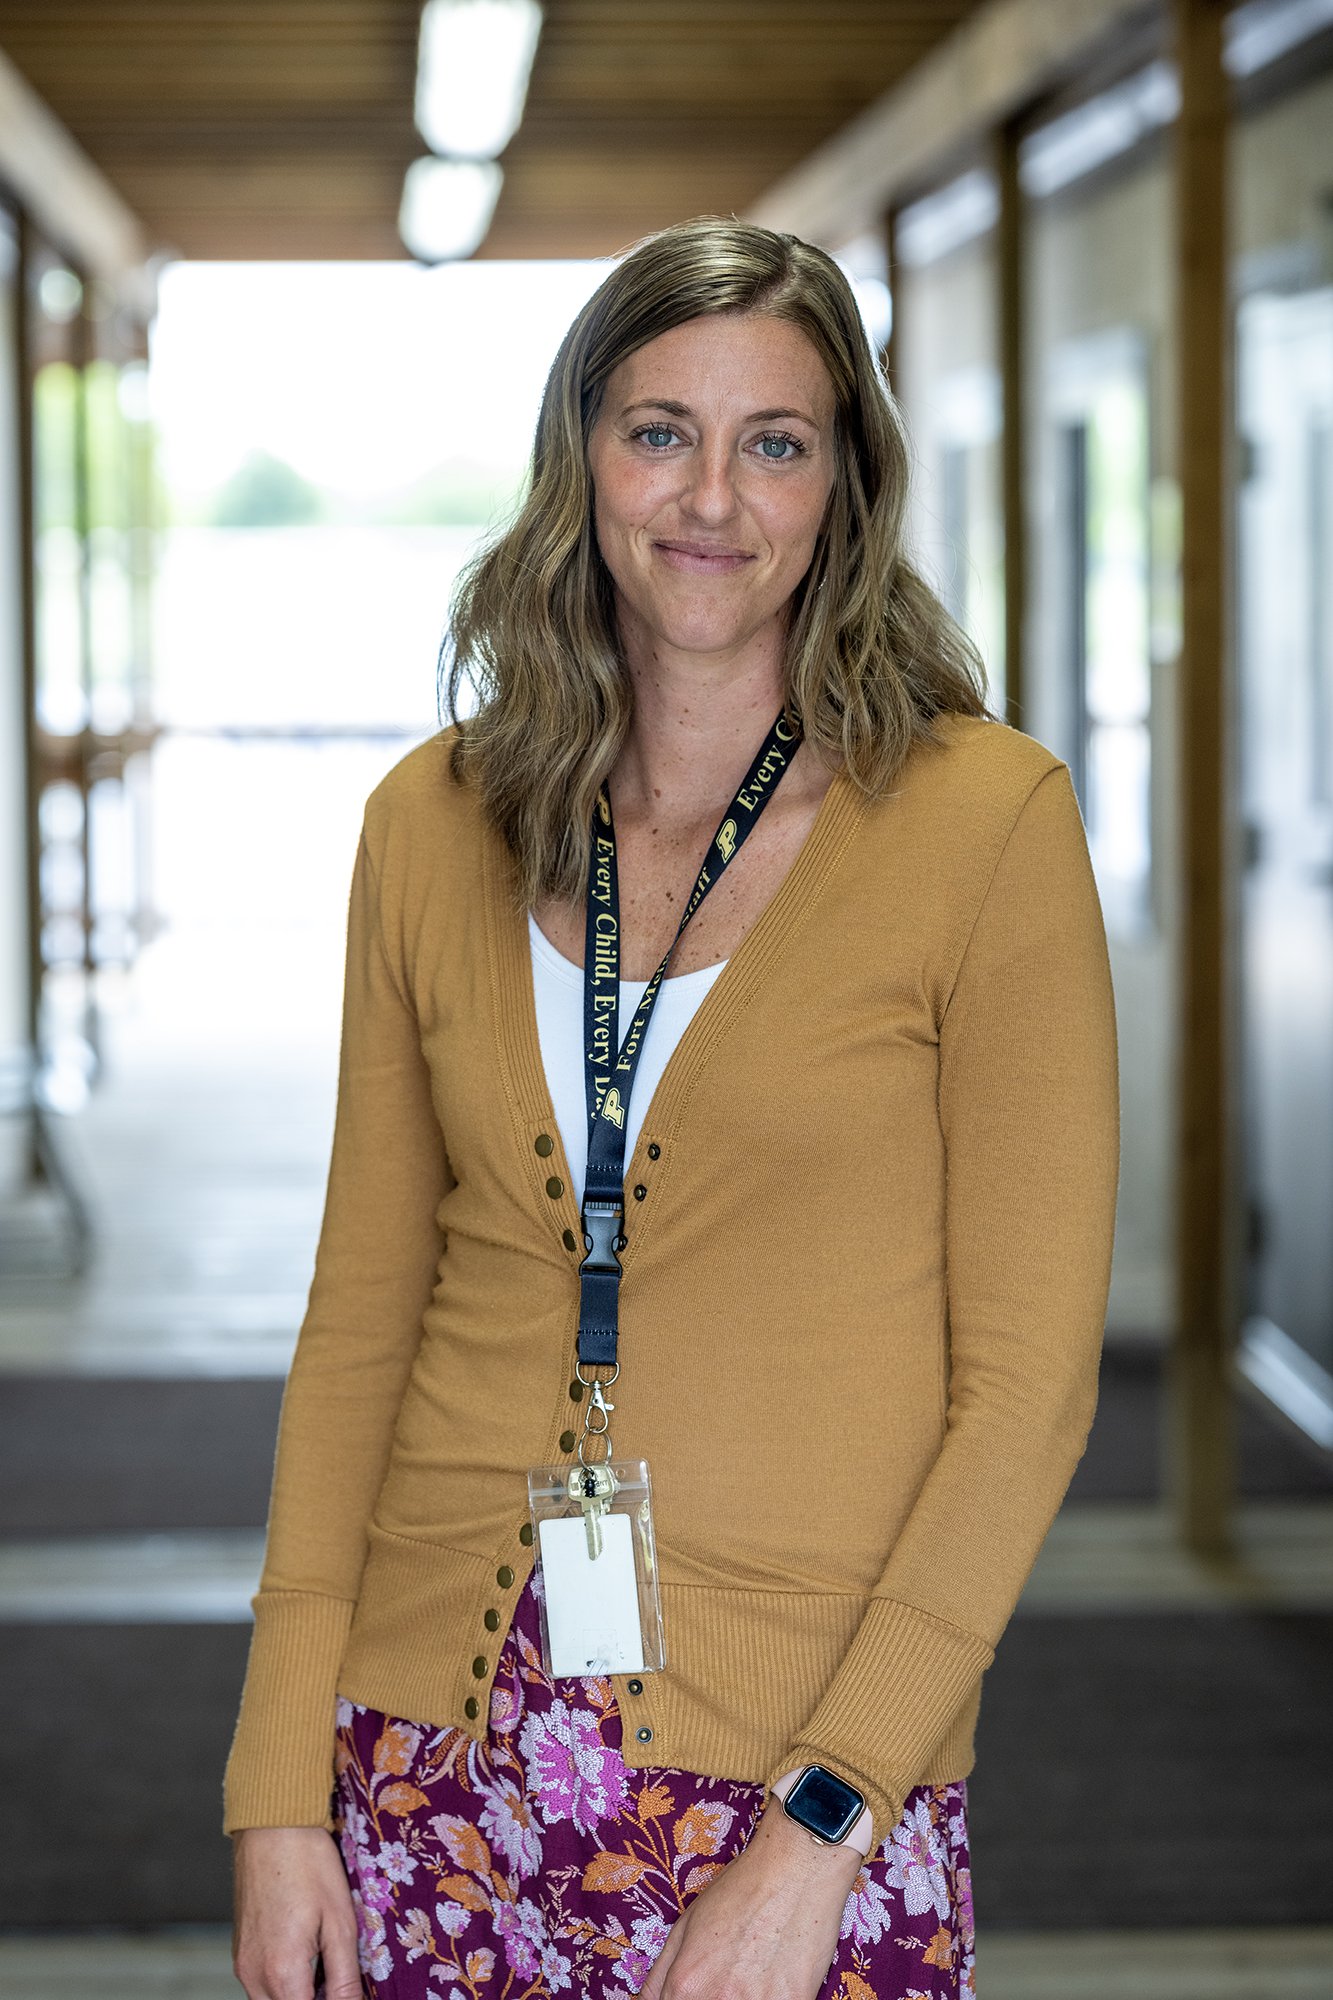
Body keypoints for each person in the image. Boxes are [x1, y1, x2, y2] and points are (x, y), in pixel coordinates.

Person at [226, 215, 1120, 2000]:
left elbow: (1024, 1392)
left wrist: (821, 1828)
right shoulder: (429, 821)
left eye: (772, 442)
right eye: (659, 431)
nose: (711, 496)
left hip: (803, 1773)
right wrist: (275, 1792)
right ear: (580, 457)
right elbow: (357, 1325)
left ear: (841, 485)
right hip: (429, 1744)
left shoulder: (983, 826)